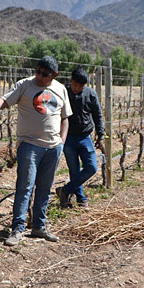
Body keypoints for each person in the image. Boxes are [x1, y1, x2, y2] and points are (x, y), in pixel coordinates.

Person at [0, 55, 71, 246]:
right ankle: (18, 229)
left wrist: (61, 143)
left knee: (45, 189)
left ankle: (39, 226)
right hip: (30, 145)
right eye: (37, 71)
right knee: (25, 187)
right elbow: (5, 101)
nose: (39, 76)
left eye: (45, 74)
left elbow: (65, 118)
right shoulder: (25, 85)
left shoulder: (60, 89)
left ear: (55, 75)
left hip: (53, 148)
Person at [56, 67, 104, 207]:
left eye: (81, 86)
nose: (77, 88)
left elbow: (98, 115)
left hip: (85, 137)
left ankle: (64, 190)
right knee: (74, 170)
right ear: (71, 81)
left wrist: (100, 135)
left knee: (91, 168)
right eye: (75, 84)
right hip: (68, 137)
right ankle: (81, 199)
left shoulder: (90, 94)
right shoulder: (62, 92)